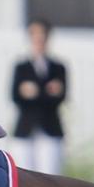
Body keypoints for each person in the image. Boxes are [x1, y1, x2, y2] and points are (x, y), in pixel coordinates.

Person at [10, 19, 68, 174]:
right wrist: (46, 91)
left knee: (50, 176)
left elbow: (61, 97)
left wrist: (34, 92)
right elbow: (16, 96)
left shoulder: (58, 67)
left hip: (50, 127)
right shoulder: (21, 67)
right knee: (24, 177)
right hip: (26, 128)